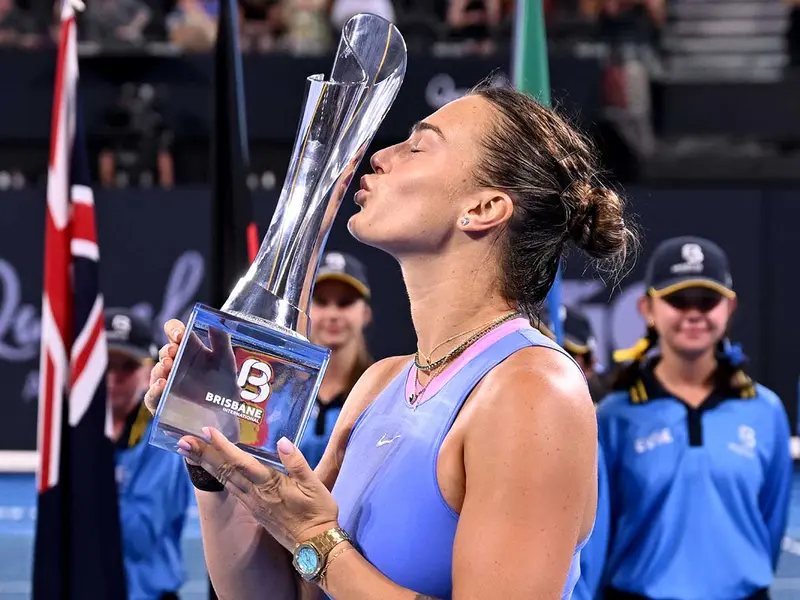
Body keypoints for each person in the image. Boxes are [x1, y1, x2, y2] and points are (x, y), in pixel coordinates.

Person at [145, 83, 637, 599]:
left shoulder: (534, 389)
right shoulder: (379, 382)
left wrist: (315, 538)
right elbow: (274, 595)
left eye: (418, 146)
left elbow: (316, 549)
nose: (381, 156)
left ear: (484, 207)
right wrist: (212, 451)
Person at [597, 236, 792, 600]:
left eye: (707, 300)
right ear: (647, 308)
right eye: (677, 300)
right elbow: (595, 538)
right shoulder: (613, 418)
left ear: (729, 308)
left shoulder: (766, 412)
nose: (693, 313)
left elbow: (772, 521)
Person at [106, 308, 193, 600]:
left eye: (126, 367)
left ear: (148, 372)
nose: (112, 379)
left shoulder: (164, 435)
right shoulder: (72, 433)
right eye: (104, 365)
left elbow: (140, 536)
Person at [536, 305, 611, 600]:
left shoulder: (595, 435)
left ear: (589, 365)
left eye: (567, 353)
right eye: (540, 346)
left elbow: (596, 544)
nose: (553, 360)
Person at [300, 251, 374, 469]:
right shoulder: (280, 392)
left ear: (365, 313)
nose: (333, 314)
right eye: (321, 301)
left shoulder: (383, 394)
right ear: (305, 309)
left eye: (345, 303)